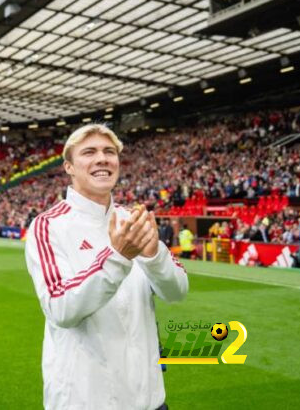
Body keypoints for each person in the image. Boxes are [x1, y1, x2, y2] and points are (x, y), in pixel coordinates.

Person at [25, 124, 188, 410]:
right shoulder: (48, 226)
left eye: (109, 152)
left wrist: (154, 257)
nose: (102, 158)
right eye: (89, 152)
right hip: (85, 401)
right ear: (69, 167)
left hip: (149, 399)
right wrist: (117, 257)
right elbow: (60, 307)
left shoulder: (133, 219)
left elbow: (177, 292)